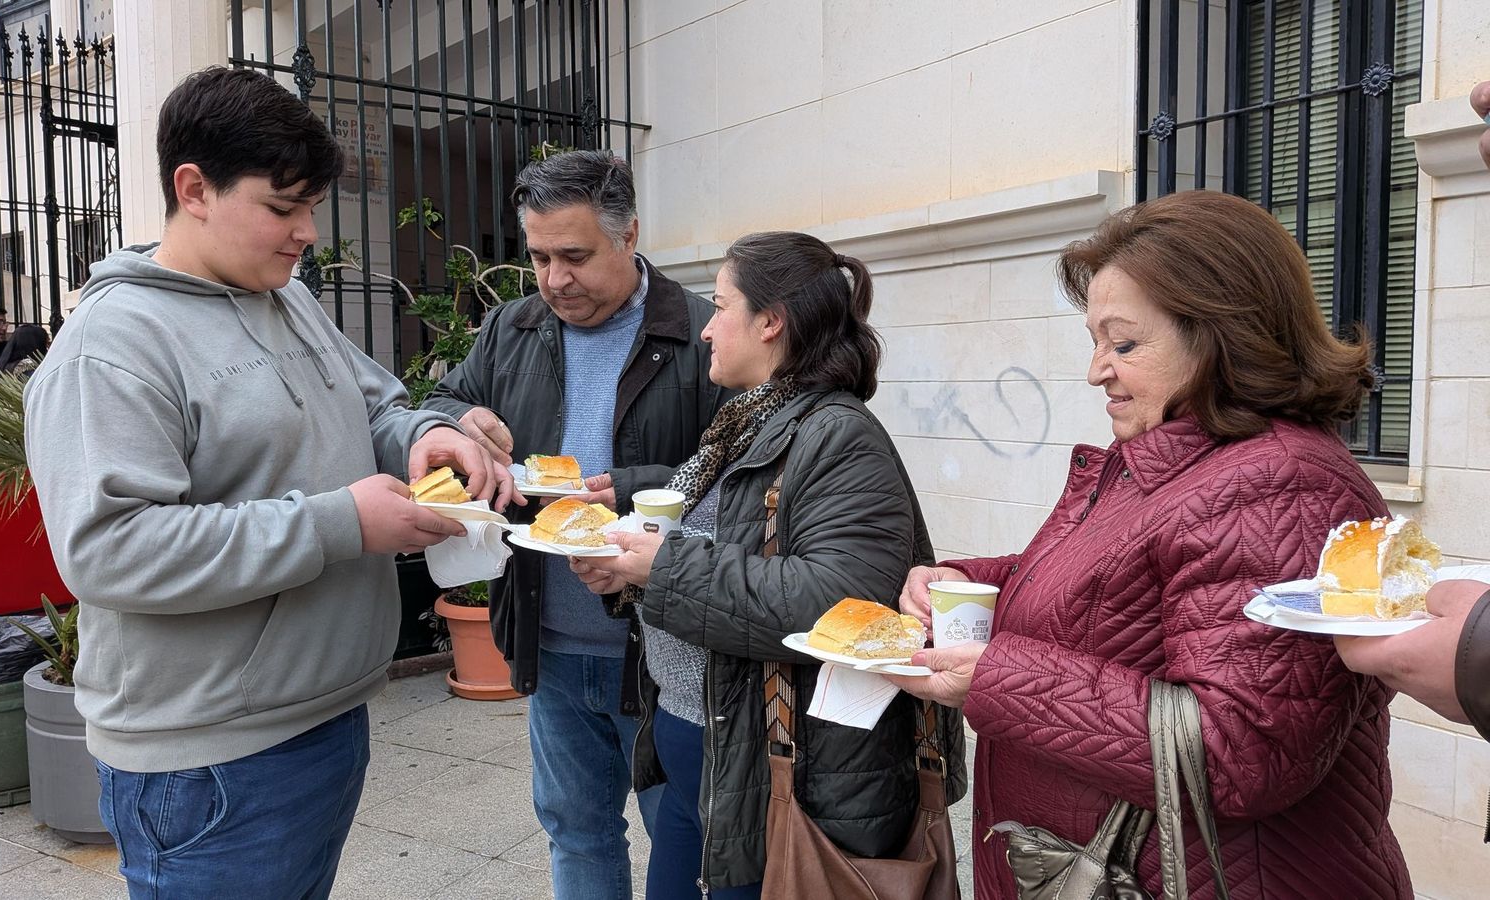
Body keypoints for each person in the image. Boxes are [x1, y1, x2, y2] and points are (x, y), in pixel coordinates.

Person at [23, 66, 516, 899]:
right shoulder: (114, 348)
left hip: (320, 718)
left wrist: (426, 435)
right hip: (209, 759)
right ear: (194, 189)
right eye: (283, 208)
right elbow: (108, 551)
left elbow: (377, 406)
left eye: (311, 208)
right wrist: (340, 524)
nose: (307, 234)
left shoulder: (285, 300)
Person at [885, 190, 1411, 897]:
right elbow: (1111, 586)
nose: (1097, 369)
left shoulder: (1279, 484)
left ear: (1221, 332)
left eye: (1123, 343)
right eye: (1096, 342)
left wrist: (995, 679)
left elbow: (1241, 749)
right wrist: (963, 577)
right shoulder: (1183, 457)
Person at [570, 231, 964, 897]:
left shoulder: (837, 435)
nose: (706, 330)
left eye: (721, 307)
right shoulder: (745, 424)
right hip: (706, 751)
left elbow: (842, 602)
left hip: (774, 776)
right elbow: (721, 561)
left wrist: (663, 569)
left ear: (771, 321)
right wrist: (628, 577)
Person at [419, 149, 732, 899]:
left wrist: (625, 490)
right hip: (551, 642)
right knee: (576, 832)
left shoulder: (704, 332)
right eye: (537, 257)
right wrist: (461, 420)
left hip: (666, 653)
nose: (555, 279)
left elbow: (740, 477)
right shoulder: (511, 326)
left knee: (684, 847)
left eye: (575, 255)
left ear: (629, 237)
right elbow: (438, 403)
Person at [1333, 80, 1490, 743]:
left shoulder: (1294, 473)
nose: (1480, 95)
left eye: (1126, 341)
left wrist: (1480, 658)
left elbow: (1252, 752)